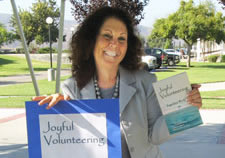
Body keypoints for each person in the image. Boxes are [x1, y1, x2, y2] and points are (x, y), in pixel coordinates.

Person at [33, 6, 202, 158]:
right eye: (107, 35)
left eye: (122, 38)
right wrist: (56, 111)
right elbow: (68, 146)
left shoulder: (145, 81)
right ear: (91, 41)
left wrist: (186, 109)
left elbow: (155, 136)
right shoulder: (71, 88)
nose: (115, 44)